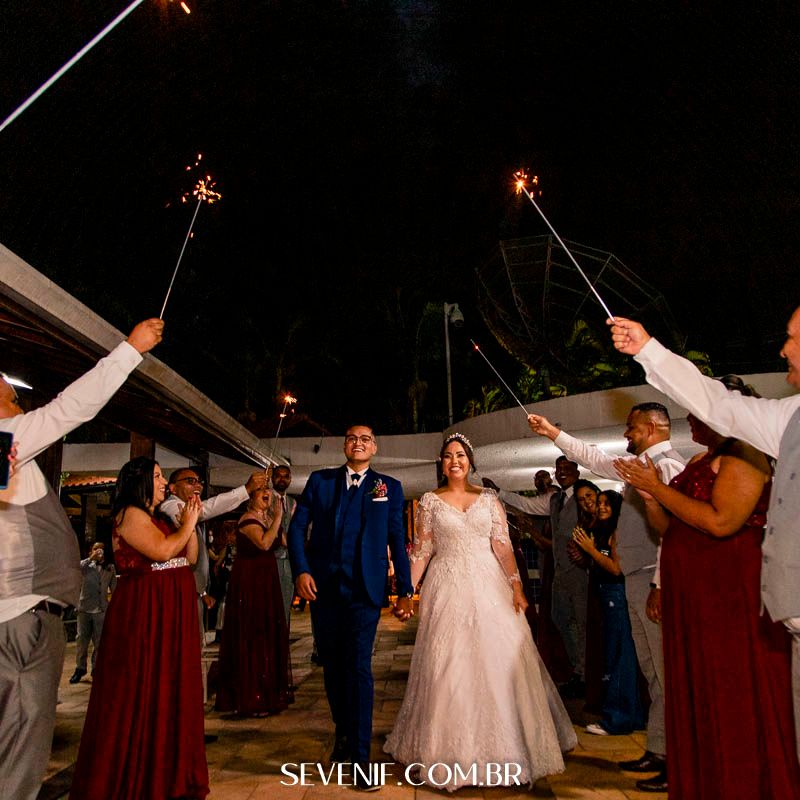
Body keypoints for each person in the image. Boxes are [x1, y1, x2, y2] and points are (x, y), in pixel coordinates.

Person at [609, 312, 800, 762]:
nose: (783, 349)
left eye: (792, 338)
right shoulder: (791, 417)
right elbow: (719, 405)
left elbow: (721, 519)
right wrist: (647, 348)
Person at [0, 317, 163, 800]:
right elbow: (70, 409)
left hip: (20, 613)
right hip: (21, 616)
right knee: (21, 748)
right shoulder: (6, 439)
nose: (18, 404)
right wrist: (130, 350)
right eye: (10, 397)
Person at [384, 433, 576, 791]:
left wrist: (517, 587)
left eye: (460, 455)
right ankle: (450, 753)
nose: (454, 461)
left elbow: (502, 547)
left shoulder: (488, 499)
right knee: (449, 664)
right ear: (440, 464)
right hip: (446, 585)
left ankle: (506, 750)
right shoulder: (429, 502)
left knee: (498, 662)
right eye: (447, 456)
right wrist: (407, 593)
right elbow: (422, 552)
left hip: (489, 584)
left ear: (470, 461)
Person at [527, 405, 685, 792]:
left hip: (652, 579)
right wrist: (552, 432)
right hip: (635, 578)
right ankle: (659, 748)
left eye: (631, 428)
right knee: (651, 670)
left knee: (665, 672)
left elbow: (674, 534)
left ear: (651, 427)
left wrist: (660, 584)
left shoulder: (669, 468)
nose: (626, 435)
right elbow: (596, 459)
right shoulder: (640, 465)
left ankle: (678, 760)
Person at [69, 457, 208, 799]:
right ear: (141, 481)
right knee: (144, 683)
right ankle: (137, 771)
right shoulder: (129, 514)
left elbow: (188, 557)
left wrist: (188, 522)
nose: (164, 483)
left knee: (171, 684)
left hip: (171, 608)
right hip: (146, 610)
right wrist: (187, 525)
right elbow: (161, 551)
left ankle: (168, 767)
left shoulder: (159, 516)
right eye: (158, 477)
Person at [288, 425, 414, 790]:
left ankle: (361, 759)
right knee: (332, 665)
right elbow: (298, 530)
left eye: (365, 438)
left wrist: (405, 589)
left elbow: (396, 539)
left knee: (359, 668)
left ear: (374, 447)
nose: (358, 443)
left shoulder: (386, 487)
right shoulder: (320, 481)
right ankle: (344, 733)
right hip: (323, 589)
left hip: (365, 592)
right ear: (344, 445)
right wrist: (301, 571)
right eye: (351, 438)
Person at [488, 458, 589, 696]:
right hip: (559, 571)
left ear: (577, 470)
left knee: (583, 623)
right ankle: (577, 668)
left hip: (581, 570)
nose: (562, 473)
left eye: (567, 469)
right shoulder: (555, 500)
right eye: (559, 470)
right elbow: (528, 505)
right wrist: (500, 492)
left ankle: (585, 674)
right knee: (559, 618)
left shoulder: (584, 495)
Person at [161, 466, 267, 643]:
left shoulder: (191, 511)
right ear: (172, 488)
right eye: (190, 481)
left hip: (193, 590)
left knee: (195, 643)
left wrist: (202, 592)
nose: (198, 486)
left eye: (199, 482)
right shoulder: (171, 506)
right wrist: (246, 489)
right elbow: (208, 509)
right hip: (177, 592)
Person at [215, 486, 292, 716]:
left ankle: (268, 692)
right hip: (251, 582)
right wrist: (278, 517)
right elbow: (265, 543)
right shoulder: (247, 519)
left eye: (268, 492)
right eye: (261, 492)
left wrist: (280, 520)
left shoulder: (267, 518)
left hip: (268, 580)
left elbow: (284, 542)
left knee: (268, 633)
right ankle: (251, 696)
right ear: (251, 497)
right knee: (253, 633)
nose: (266, 495)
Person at [573, 490, 643, 736]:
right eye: (599, 503)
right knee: (616, 656)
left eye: (606, 504)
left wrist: (591, 551)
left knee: (619, 658)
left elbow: (616, 569)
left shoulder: (617, 532)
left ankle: (618, 719)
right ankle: (632, 716)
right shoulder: (600, 530)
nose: (601, 507)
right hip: (605, 595)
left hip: (616, 596)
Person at [69, 541, 117, 684]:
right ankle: (80, 668)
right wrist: (91, 558)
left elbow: (114, 588)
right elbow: (76, 568)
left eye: (101, 549)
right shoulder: (86, 566)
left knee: (99, 642)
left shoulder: (109, 568)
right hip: (84, 608)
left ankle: (96, 668)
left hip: (101, 609)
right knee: (81, 640)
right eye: (96, 549)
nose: (98, 551)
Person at [271, 465, 297, 627]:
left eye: (285, 476)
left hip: (289, 561)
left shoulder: (292, 502)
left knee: (286, 604)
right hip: (271, 559)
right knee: (272, 605)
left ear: (290, 479)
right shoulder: (266, 498)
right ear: (272, 478)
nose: (282, 479)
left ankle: (283, 646)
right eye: (278, 476)